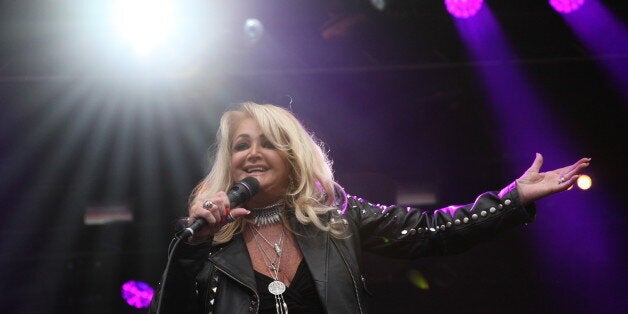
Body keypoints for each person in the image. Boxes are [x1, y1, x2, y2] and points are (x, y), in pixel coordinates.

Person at [150, 102, 590, 314]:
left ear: (290, 156)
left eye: (267, 142)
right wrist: (191, 246)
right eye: (241, 145)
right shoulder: (205, 240)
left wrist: (511, 198)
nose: (252, 153)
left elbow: (428, 230)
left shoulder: (333, 215)